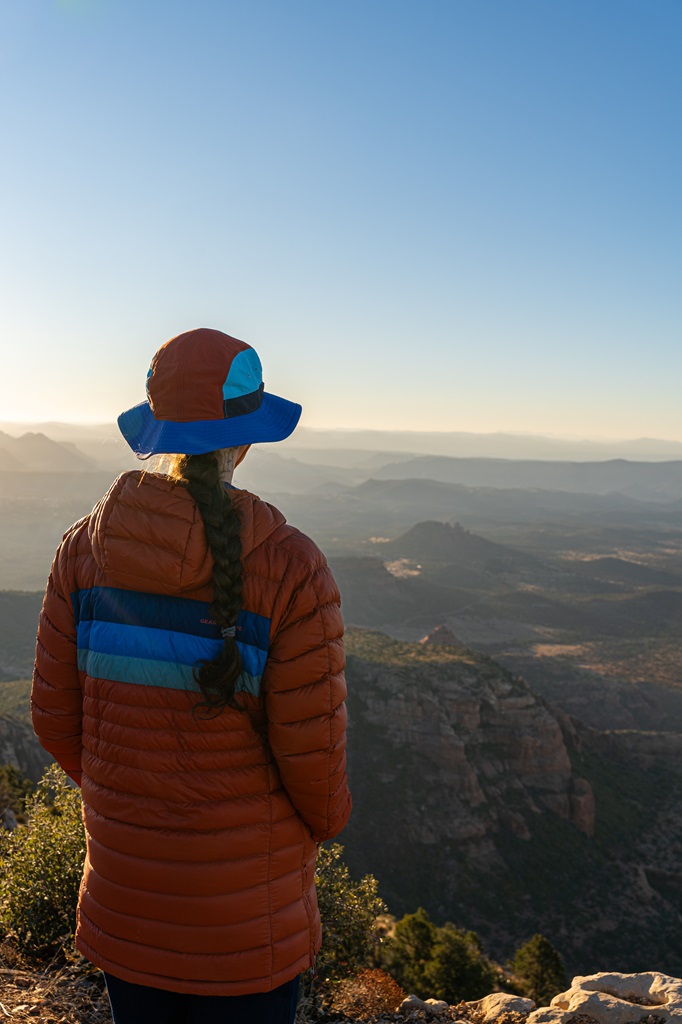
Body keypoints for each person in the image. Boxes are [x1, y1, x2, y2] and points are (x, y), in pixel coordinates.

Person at [31, 328, 352, 1024]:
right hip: (246, 925)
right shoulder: (292, 568)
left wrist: (134, 794)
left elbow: (55, 720)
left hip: (127, 906)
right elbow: (315, 771)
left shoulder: (82, 553)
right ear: (245, 441)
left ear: (163, 431)